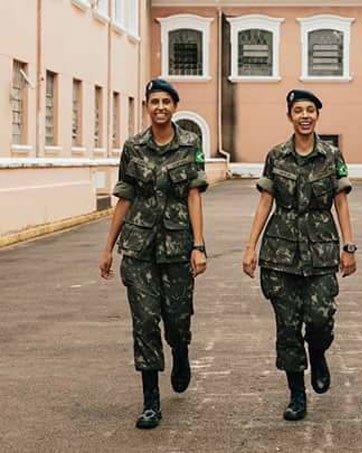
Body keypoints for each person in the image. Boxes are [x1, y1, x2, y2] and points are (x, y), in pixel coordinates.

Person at [98, 78, 209, 429]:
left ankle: (180, 351)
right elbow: (124, 196)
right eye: (154, 102)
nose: (160, 107)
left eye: (166, 101)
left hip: (178, 248)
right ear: (146, 106)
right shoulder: (133, 148)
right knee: (145, 323)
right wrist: (108, 248)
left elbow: (194, 194)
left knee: (176, 320)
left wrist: (199, 244)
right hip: (139, 247)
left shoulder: (190, 144)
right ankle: (151, 403)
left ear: (174, 106)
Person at [242, 89, 357, 421]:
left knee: (320, 320)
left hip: (321, 252)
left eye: (310, 110)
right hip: (280, 253)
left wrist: (349, 246)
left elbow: (341, 202)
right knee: (288, 327)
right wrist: (251, 246)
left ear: (317, 115)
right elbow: (265, 201)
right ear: (289, 116)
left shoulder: (331, 156)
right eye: (298, 110)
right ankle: (296, 394)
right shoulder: (276, 156)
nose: (304, 115)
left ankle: (318, 353)